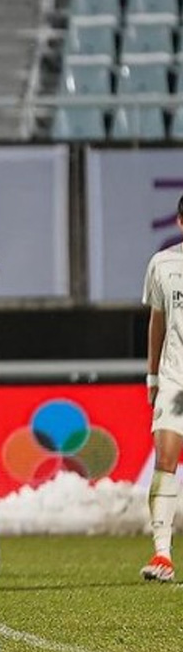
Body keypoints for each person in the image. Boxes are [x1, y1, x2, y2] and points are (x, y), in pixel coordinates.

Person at [141, 194, 183, 583]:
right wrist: (153, 376)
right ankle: (162, 554)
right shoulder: (163, 263)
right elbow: (157, 320)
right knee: (166, 458)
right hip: (175, 379)